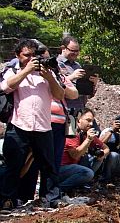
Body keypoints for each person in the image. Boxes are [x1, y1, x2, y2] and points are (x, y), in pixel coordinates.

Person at [0, 38, 65, 210]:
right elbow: (5, 86)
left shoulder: (48, 72)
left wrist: (49, 77)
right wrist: (26, 71)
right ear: (17, 55)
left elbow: (59, 94)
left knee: (48, 167)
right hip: (19, 124)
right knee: (13, 165)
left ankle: (50, 199)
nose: (30, 59)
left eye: (33, 55)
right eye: (26, 55)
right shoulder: (12, 70)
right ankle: (7, 199)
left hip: (44, 126)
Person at [56, 35, 98, 114]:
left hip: (80, 108)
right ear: (63, 48)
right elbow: (54, 84)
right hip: (65, 109)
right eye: (72, 50)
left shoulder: (77, 65)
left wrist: (93, 83)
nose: (75, 53)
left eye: (77, 51)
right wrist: (72, 77)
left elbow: (88, 94)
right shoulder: (55, 64)